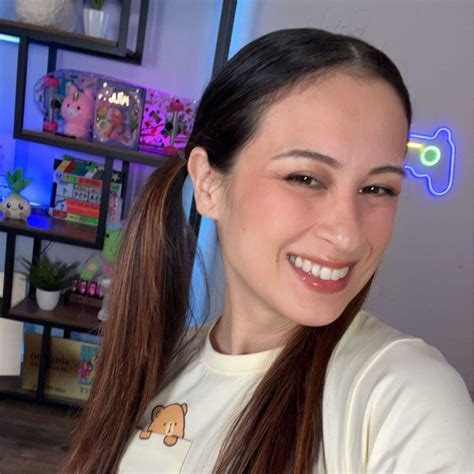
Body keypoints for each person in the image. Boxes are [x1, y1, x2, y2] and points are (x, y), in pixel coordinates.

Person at [63, 28, 473, 473]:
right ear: (208, 184)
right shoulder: (166, 361)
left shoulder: (403, 397)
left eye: (378, 188)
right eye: (305, 178)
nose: (348, 235)